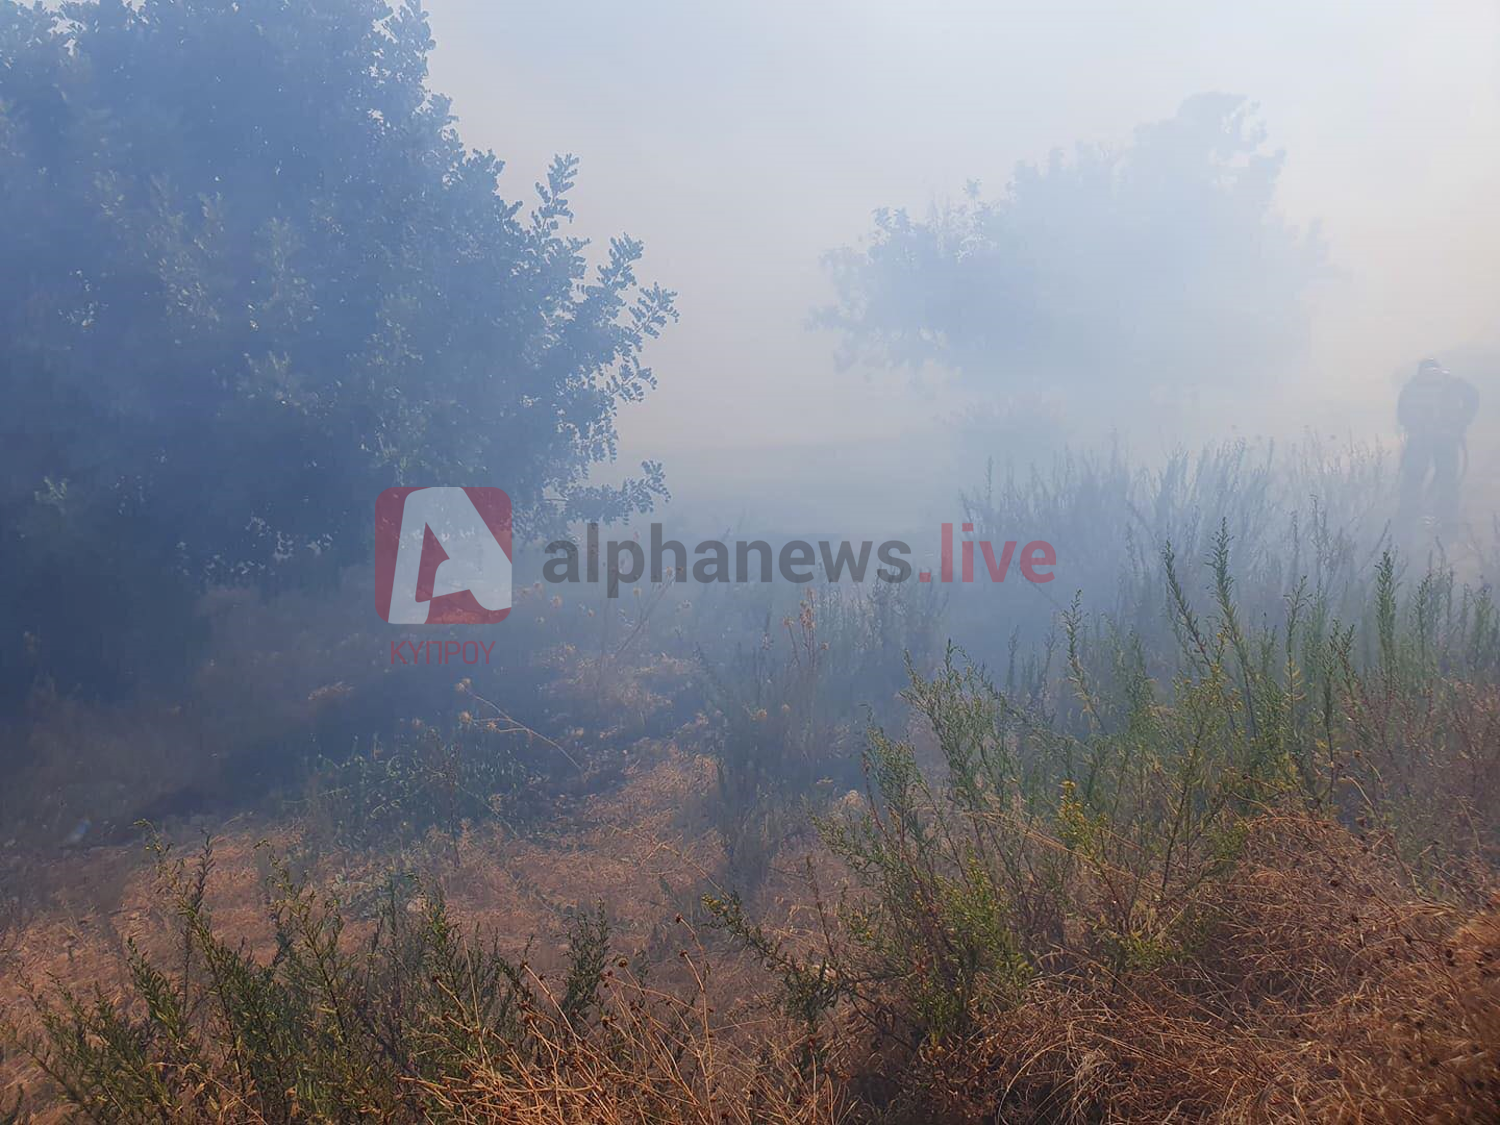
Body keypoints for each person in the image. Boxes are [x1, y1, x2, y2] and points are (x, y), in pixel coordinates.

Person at [1397, 359, 1479, 527]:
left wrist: (1411, 426)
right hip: (1447, 437)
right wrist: (1463, 421)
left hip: (1419, 439)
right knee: (1447, 479)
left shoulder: (1412, 385)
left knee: (1413, 477)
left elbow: (1402, 411)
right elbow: (1473, 396)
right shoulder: (1452, 382)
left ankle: (1408, 516)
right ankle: (1448, 519)